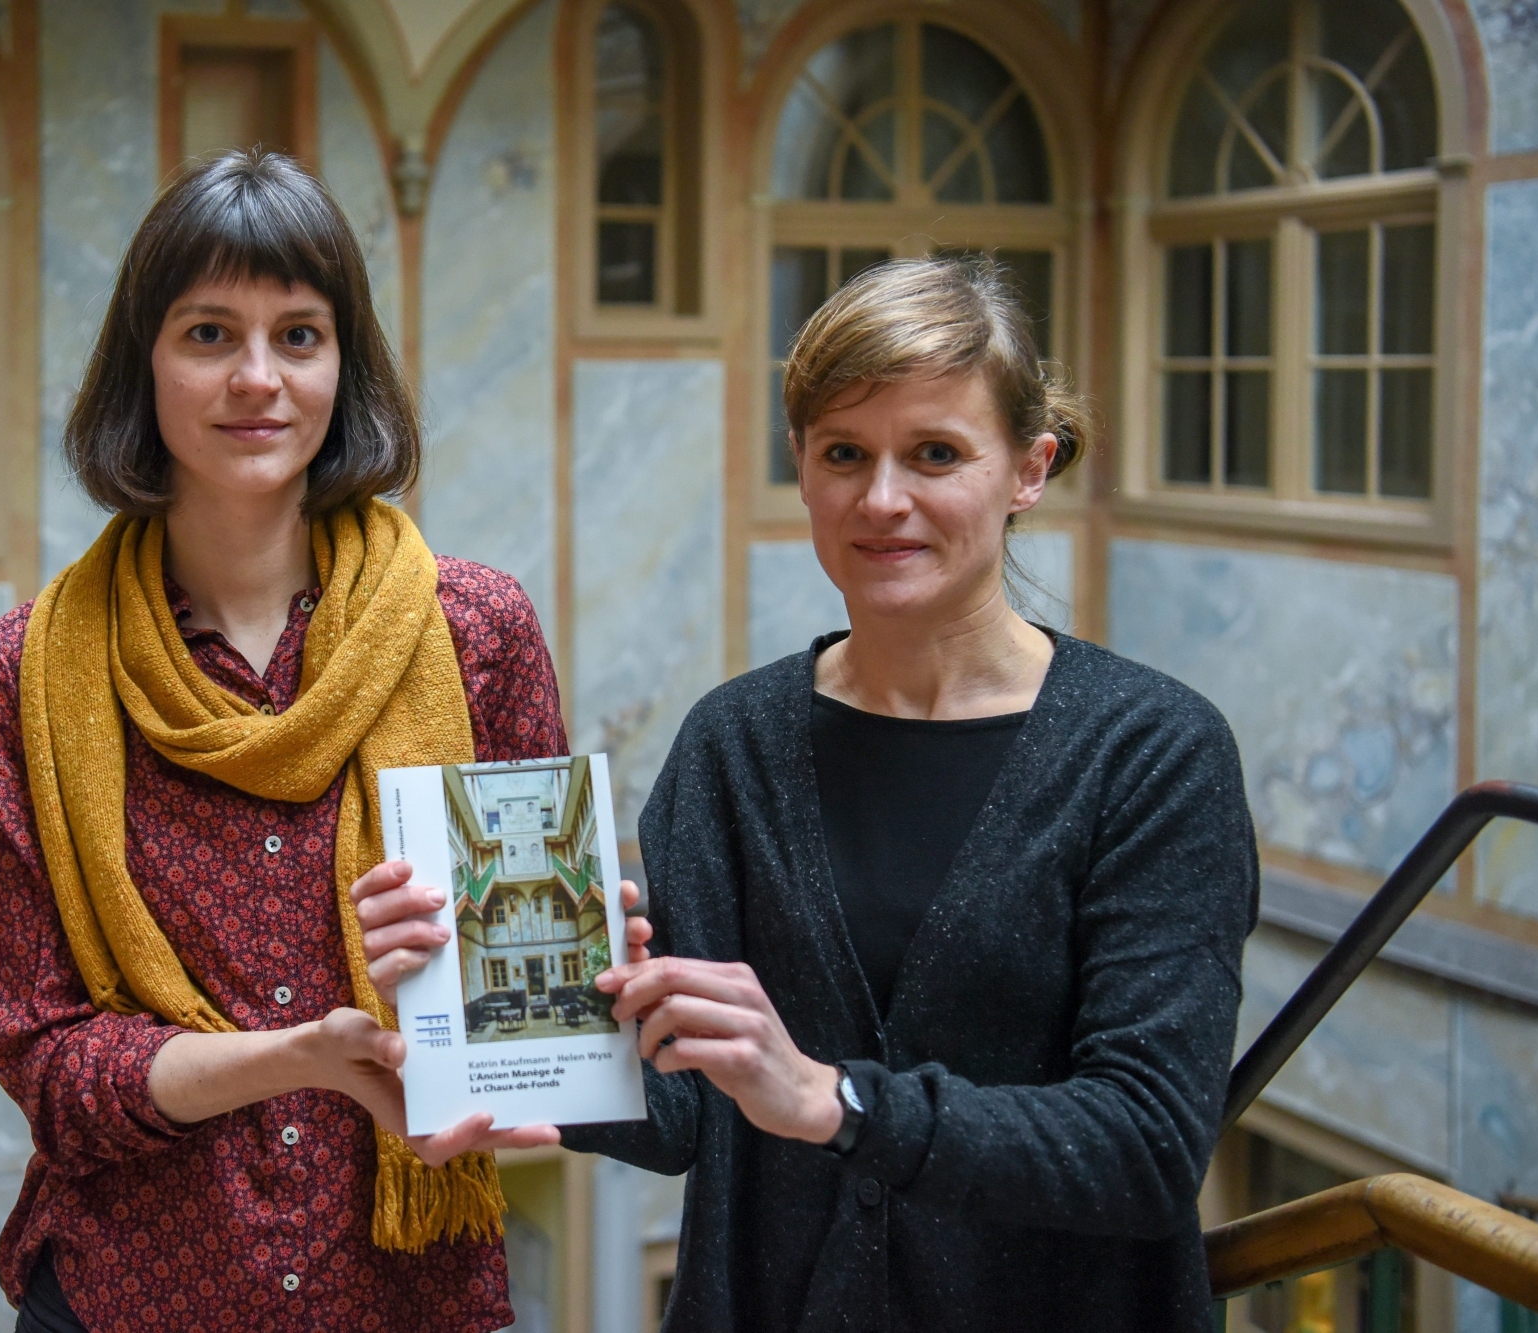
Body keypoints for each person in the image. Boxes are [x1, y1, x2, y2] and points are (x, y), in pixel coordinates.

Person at [363, 256, 1260, 1331]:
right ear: (801, 464)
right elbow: (687, 1109)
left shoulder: (1150, 753)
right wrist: (486, 1033)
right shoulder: (732, 743)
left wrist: (833, 1101)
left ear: (1029, 467)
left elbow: (1145, 1144)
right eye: (845, 453)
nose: (883, 499)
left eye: (934, 453)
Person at [0, 148, 642, 1333]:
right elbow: (53, 1069)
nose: (256, 380)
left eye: (299, 334)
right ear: (145, 363)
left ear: (345, 362)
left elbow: (527, 1025)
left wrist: (566, 973)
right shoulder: (22, 672)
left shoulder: (472, 629)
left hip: (401, 1291)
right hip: (135, 1292)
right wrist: (299, 1056)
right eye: (209, 333)